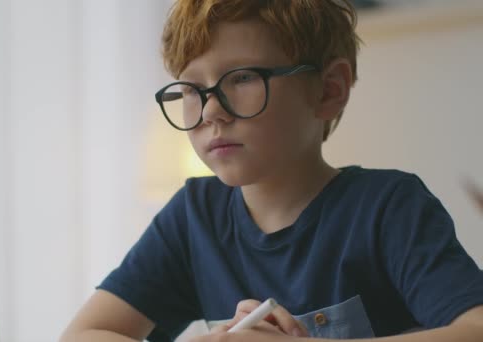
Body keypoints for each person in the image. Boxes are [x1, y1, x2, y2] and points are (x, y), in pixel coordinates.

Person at [60, 1, 483, 341]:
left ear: (328, 90)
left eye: (242, 77)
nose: (210, 111)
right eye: (192, 90)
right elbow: (84, 333)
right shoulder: (193, 217)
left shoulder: (387, 207)